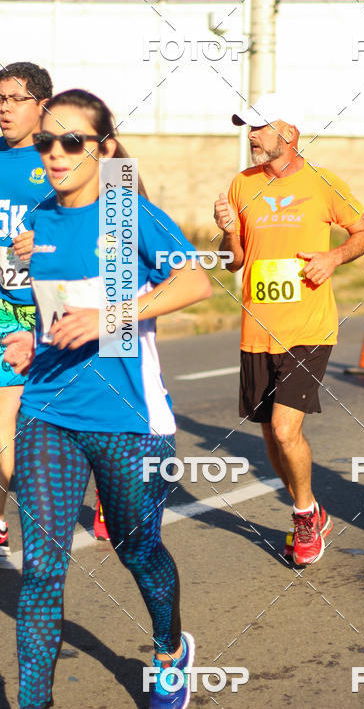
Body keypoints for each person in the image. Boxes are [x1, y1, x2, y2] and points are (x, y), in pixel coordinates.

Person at [4, 89, 211, 709]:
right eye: (47, 142)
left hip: (129, 418)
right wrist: (34, 339)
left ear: (105, 148)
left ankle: (170, 650)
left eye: (73, 142)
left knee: (136, 548)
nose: (56, 153)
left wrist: (109, 317)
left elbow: (195, 281)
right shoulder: (40, 217)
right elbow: (58, 308)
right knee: (42, 568)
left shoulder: (129, 214)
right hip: (47, 410)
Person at [214, 93, 364, 565]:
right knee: (270, 432)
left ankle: (304, 516)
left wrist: (333, 257)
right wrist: (228, 230)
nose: (252, 136)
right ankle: (313, 510)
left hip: (309, 327)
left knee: (286, 431)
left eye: (260, 127)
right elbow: (233, 262)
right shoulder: (242, 185)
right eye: (249, 128)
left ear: (289, 133)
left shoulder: (323, 183)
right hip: (257, 327)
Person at [0, 61, 52, 555]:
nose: (5, 108)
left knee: (57, 422)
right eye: (0, 99)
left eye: (16, 99)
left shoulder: (60, 159)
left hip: (53, 309)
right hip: (4, 307)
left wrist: (47, 241)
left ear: (42, 105)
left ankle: (107, 486)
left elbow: (105, 228)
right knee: (4, 418)